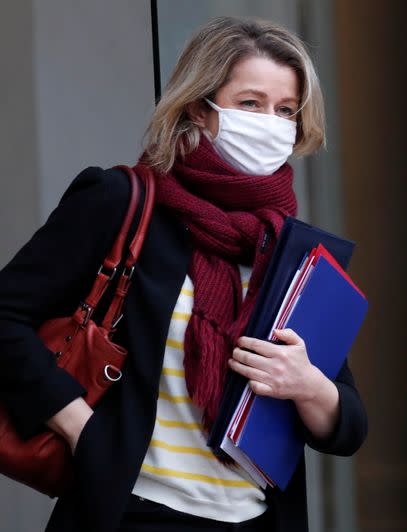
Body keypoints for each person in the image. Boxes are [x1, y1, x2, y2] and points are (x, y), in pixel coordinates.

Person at [0, 16, 367, 532]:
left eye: (286, 110)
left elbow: (347, 427)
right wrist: (83, 427)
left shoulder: (289, 246)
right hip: (135, 512)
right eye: (250, 104)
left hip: (258, 518)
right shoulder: (121, 202)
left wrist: (308, 386)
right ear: (199, 106)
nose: (271, 123)